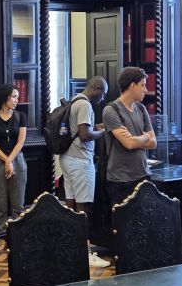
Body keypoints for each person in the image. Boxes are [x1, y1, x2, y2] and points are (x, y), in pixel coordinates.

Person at [59, 76, 108, 268]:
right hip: (81, 161)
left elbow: (79, 130)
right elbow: (84, 135)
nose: (103, 98)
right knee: (84, 207)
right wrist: (103, 132)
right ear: (97, 88)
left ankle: (70, 248)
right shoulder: (86, 105)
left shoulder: (74, 100)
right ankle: (85, 253)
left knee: (70, 204)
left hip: (67, 159)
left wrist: (95, 127)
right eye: (103, 93)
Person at [103, 66, 156, 211]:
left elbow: (153, 143)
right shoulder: (111, 110)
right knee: (123, 222)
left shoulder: (141, 108)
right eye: (142, 85)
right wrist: (145, 137)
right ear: (132, 85)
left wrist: (137, 139)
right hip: (121, 180)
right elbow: (129, 144)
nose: (145, 90)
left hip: (144, 175)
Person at [0, 84, 27, 253]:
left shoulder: (20, 116)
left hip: (17, 161)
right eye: (14, 97)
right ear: (5, 97)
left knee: (18, 204)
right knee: (0, 203)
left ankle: (17, 237)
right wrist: (6, 160)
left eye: (17, 97)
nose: (17, 100)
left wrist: (10, 160)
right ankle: (2, 237)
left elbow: (21, 141)